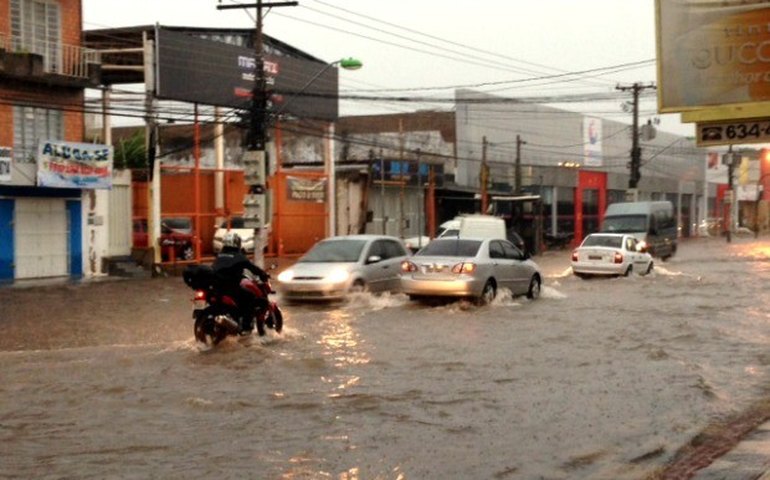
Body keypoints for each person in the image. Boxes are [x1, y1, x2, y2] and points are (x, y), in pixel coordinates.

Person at [211, 232, 270, 333]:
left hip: (216, 288)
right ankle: (246, 327)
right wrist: (262, 274)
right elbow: (252, 268)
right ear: (237, 243)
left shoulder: (219, 255)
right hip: (230, 288)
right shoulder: (239, 257)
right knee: (250, 297)